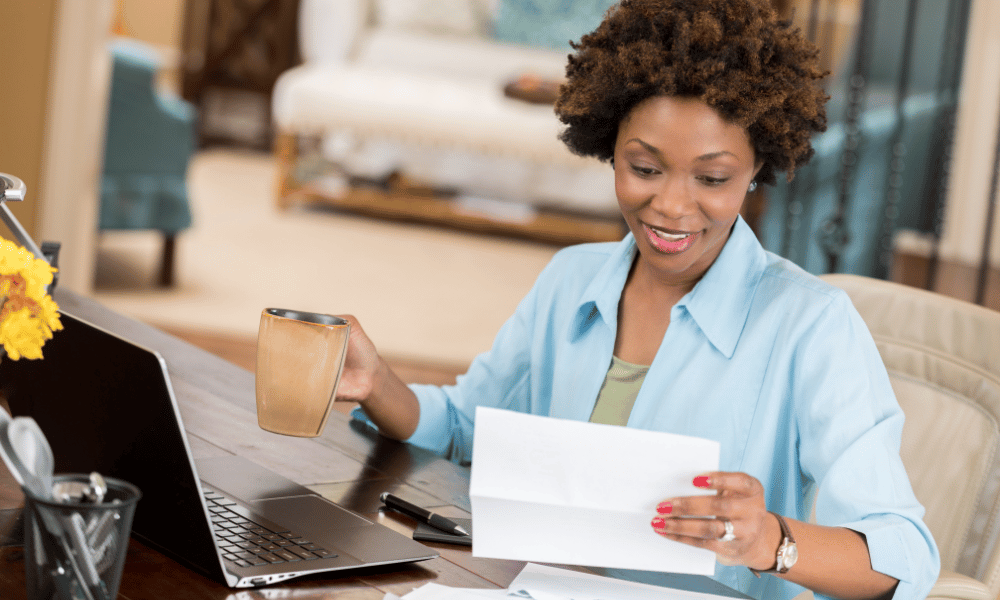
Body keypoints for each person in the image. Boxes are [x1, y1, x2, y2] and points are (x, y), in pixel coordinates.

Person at [335, 1, 940, 598]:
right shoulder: (571, 280)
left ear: (756, 167)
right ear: (610, 147)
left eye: (712, 178)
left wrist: (770, 541)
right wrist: (375, 382)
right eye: (645, 168)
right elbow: (470, 427)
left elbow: (902, 556)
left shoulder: (811, 325)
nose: (673, 207)